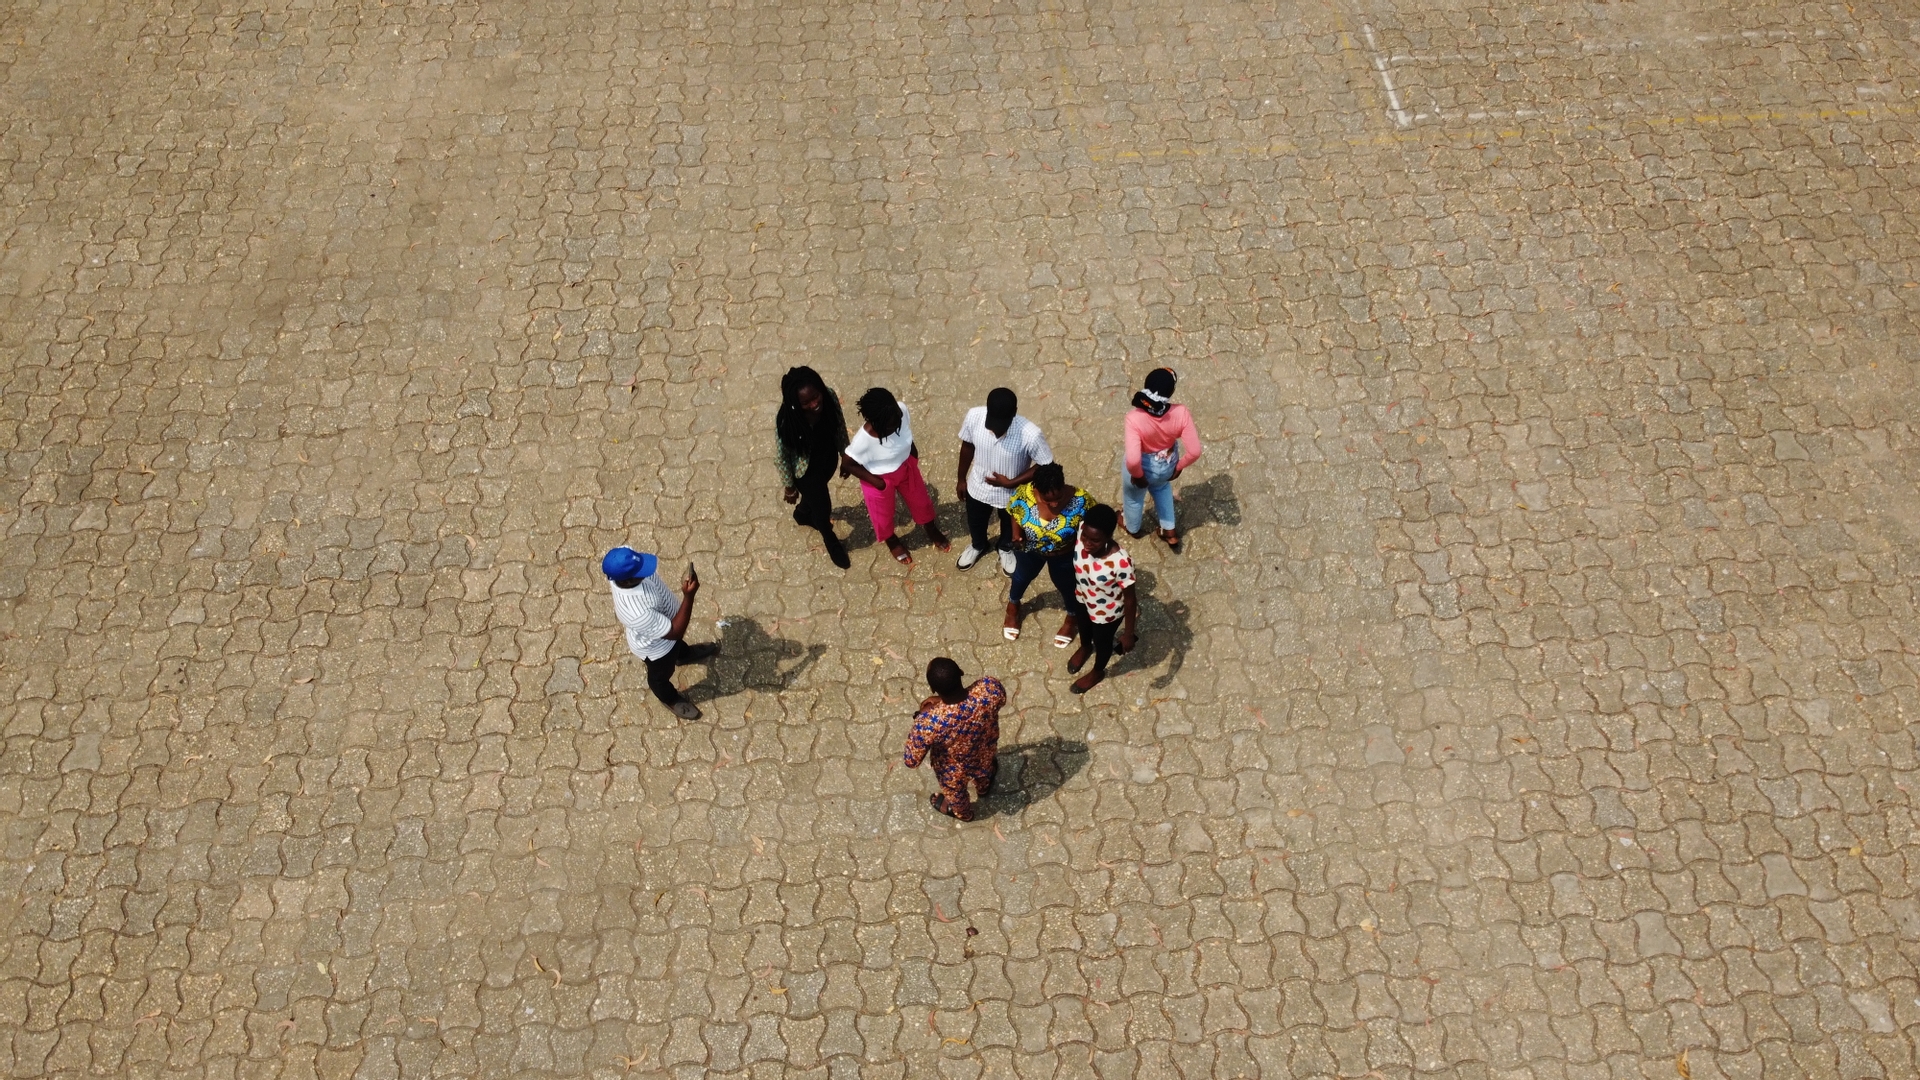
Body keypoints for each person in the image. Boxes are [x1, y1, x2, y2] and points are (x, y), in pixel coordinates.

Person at [841, 387, 952, 566]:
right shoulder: (863, 440)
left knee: (922, 502)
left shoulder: (899, 411)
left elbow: (906, 431)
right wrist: (878, 483)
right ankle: (891, 540)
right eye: (891, 426)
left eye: (898, 419)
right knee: (883, 515)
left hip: (906, 468)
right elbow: (848, 463)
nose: (897, 425)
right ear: (876, 423)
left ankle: (930, 528)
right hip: (879, 479)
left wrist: (913, 453)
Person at [604, 546, 716, 721]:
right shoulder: (636, 612)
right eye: (640, 571)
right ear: (626, 581)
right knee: (660, 676)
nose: (647, 569)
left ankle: (684, 655)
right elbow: (675, 632)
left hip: (667, 626)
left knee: (679, 647)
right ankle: (669, 698)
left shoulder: (623, 563)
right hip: (658, 648)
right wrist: (689, 596)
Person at [955, 387, 1053, 575]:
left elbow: (1045, 464)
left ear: (1014, 413)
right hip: (978, 487)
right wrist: (961, 479)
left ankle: (1005, 548)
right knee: (975, 520)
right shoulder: (974, 417)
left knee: (1009, 525)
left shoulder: (1031, 434)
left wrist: (1011, 482)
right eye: (992, 422)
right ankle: (978, 545)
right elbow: (967, 446)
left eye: (1001, 424)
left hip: (1012, 495)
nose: (995, 429)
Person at [903, 658, 1006, 821]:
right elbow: (1001, 699)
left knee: (955, 792)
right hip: (985, 748)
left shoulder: (928, 723)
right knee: (986, 766)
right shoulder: (989, 688)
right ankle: (984, 787)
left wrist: (925, 714)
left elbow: (911, 760)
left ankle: (964, 814)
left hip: (954, 768)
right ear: (961, 673)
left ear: (933, 689)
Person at [1004, 463, 1090, 648]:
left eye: (1058, 498)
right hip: (1032, 550)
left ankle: (1072, 618)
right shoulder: (1024, 494)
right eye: (1047, 500)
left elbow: (1094, 525)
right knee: (1020, 578)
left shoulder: (1081, 500)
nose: (1054, 504)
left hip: (1063, 555)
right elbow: (1014, 510)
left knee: (1068, 587)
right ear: (1036, 489)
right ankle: (1013, 606)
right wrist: (1015, 533)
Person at [775, 366, 852, 569]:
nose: (815, 403)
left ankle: (802, 514)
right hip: (805, 472)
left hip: (827, 458)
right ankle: (829, 538)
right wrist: (789, 487)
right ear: (795, 404)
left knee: (815, 500)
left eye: (816, 396)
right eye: (806, 403)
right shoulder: (786, 421)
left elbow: (839, 427)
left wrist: (846, 456)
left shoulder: (830, 396)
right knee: (823, 506)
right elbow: (781, 457)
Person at [1122, 366, 1203, 551]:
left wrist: (1138, 475)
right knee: (1162, 487)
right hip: (1167, 465)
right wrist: (1179, 466)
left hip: (1141, 468)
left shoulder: (1134, 418)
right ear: (1171, 392)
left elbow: (1133, 460)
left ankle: (1132, 527)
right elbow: (1195, 451)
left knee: (1134, 498)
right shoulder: (1181, 412)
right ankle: (1169, 531)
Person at [1067, 504, 1138, 694]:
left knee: (1102, 641)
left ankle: (1097, 671)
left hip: (1107, 612)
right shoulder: (1083, 529)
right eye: (1086, 537)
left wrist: (1129, 634)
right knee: (1083, 626)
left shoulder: (1121, 562)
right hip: (1082, 596)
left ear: (1108, 537)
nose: (1088, 543)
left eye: (1095, 541)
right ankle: (1084, 647)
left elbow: (1130, 599)